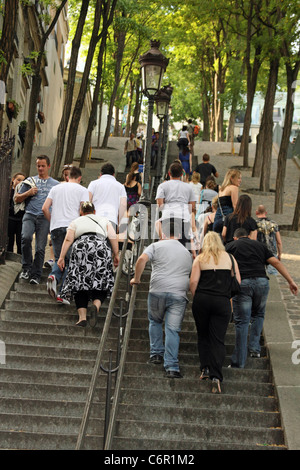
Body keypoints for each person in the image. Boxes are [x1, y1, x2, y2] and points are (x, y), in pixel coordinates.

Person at [226, 228, 298, 369]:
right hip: (262, 282)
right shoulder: (259, 245)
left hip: (243, 284)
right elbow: (276, 262)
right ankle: (254, 349)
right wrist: (290, 281)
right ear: (248, 236)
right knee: (259, 314)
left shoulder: (231, 246)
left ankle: (239, 362)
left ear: (235, 238)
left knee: (242, 321)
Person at [130, 218, 193, 378]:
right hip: (179, 294)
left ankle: (156, 353)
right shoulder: (187, 253)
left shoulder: (155, 246)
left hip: (157, 290)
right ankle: (172, 367)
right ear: (179, 234)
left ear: (163, 233)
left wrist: (137, 279)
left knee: (155, 321)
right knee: (173, 330)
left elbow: (141, 259)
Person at [190, 231, 241, 394]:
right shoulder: (230, 258)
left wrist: (196, 296)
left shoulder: (200, 258)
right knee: (218, 339)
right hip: (222, 302)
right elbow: (238, 282)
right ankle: (216, 376)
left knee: (203, 335)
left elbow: (193, 281)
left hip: (202, 300)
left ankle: (205, 368)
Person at [57, 202, 119, 327]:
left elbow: (68, 239)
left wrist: (61, 257)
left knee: (80, 282)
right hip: (100, 247)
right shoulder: (104, 220)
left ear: (81, 211)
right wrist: (116, 254)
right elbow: (112, 237)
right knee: (101, 281)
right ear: (94, 211)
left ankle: (82, 318)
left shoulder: (76, 221)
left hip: (81, 247)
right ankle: (95, 307)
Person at [42, 166, 89, 303]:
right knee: (71, 261)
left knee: (59, 258)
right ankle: (63, 292)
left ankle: (54, 277)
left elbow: (44, 208)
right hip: (72, 227)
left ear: (68, 176)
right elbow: (84, 210)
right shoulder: (83, 190)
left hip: (56, 226)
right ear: (79, 178)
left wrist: (53, 222)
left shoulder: (55, 188)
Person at [15, 155, 59, 284]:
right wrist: (28, 193)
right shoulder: (30, 181)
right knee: (26, 238)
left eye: (43, 166)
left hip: (44, 217)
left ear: (48, 166)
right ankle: (26, 268)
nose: (40, 168)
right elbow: (17, 198)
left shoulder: (55, 185)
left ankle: (36, 274)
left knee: (40, 247)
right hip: (29, 214)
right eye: (38, 166)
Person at [155, 161, 197, 251]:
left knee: (167, 246)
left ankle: (162, 239)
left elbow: (160, 206)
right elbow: (192, 206)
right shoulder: (189, 187)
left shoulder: (162, 186)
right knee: (184, 247)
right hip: (184, 217)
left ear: (169, 173)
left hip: (167, 217)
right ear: (182, 174)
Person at [88, 162, 127, 233]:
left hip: (95, 219)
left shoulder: (93, 184)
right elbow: (123, 205)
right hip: (112, 219)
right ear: (113, 174)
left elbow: (87, 201)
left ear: (100, 174)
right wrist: (120, 224)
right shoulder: (120, 187)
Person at [255, 205, 282, 275]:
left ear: (256, 212)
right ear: (266, 212)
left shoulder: (255, 224)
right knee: (272, 275)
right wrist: (279, 254)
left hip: (259, 252)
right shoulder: (274, 224)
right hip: (272, 252)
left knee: (260, 274)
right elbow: (279, 241)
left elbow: (253, 240)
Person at [213, 169, 241, 234]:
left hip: (217, 218)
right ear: (231, 178)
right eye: (238, 178)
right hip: (227, 220)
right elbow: (235, 205)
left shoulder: (221, 189)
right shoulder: (234, 188)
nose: (240, 180)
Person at [7, 172, 26, 254]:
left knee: (20, 240)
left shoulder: (24, 193)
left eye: (23, 181)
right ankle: (8, 255)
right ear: (13, 179)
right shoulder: (8, 191)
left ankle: (20, 258)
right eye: (18, 180)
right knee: (9, 239)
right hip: (9, 218)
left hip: (20, 219)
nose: (20, 182)